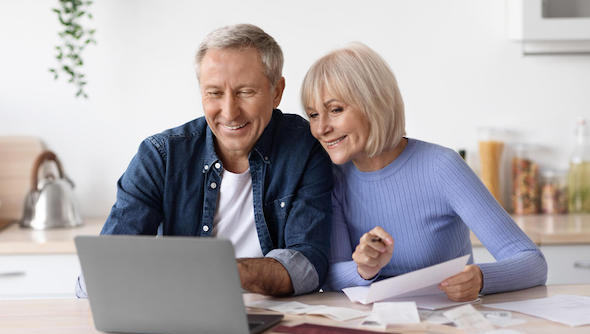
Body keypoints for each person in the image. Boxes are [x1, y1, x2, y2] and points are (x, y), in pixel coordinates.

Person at [76, 24, 332, 298]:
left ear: (277, 92)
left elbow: (308, 264)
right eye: (214, 93)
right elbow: (99, 272)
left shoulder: (306, 148)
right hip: (183, 310)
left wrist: (222, 271)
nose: (230, 112)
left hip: (276, 317)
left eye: (245, 92)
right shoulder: (161, 156)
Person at [300, 42, 547, 301]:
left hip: (446, 333)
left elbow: (532, 263)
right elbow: (329, 276)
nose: (321, 128)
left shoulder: (441, 167)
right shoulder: (333, 177)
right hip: (373, 332)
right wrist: (364, 269)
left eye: (335, 110)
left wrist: (480, 278)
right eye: (314, 115)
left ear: (375, 104)